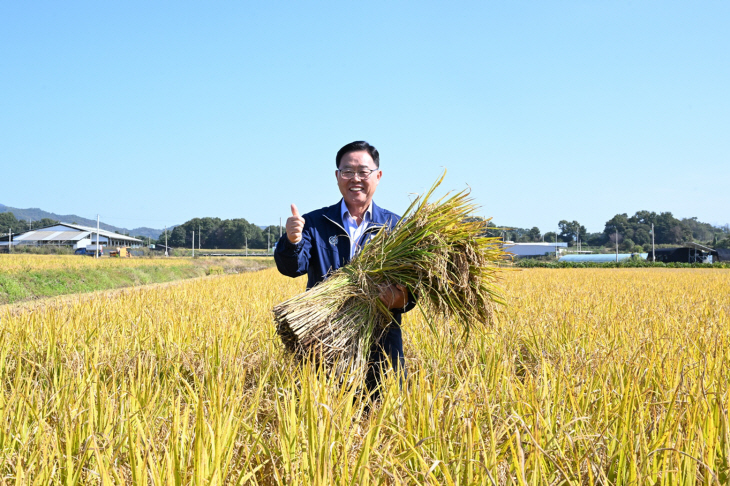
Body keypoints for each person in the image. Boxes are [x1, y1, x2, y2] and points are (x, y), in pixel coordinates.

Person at [274, 140, 415, 396]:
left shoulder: (397, 228)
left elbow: (412, 290)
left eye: (363, 172)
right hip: (324, 339)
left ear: (378, 176)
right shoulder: (316, 222)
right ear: (337, 176)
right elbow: (293, 268)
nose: (356, 178)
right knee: (324, 418)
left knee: (384, 417)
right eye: (348, 172)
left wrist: (398, 299)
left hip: (381, 341)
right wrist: (292, 241)